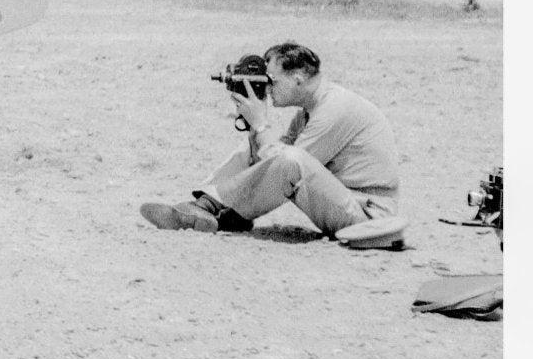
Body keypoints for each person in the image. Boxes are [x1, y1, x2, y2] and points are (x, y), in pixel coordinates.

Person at [140, 41, 409, 248]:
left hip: (370, 219)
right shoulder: (308, 112)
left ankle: (211, 210)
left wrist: (260, 124)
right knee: (255, 148)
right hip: (345, 203)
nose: (268, 89)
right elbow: (265, 161)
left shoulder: (336, 108)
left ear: (298, 79)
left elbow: (288, 167)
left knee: (290, 159)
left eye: (273, 81)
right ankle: (203, 206)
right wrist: (252, 127)